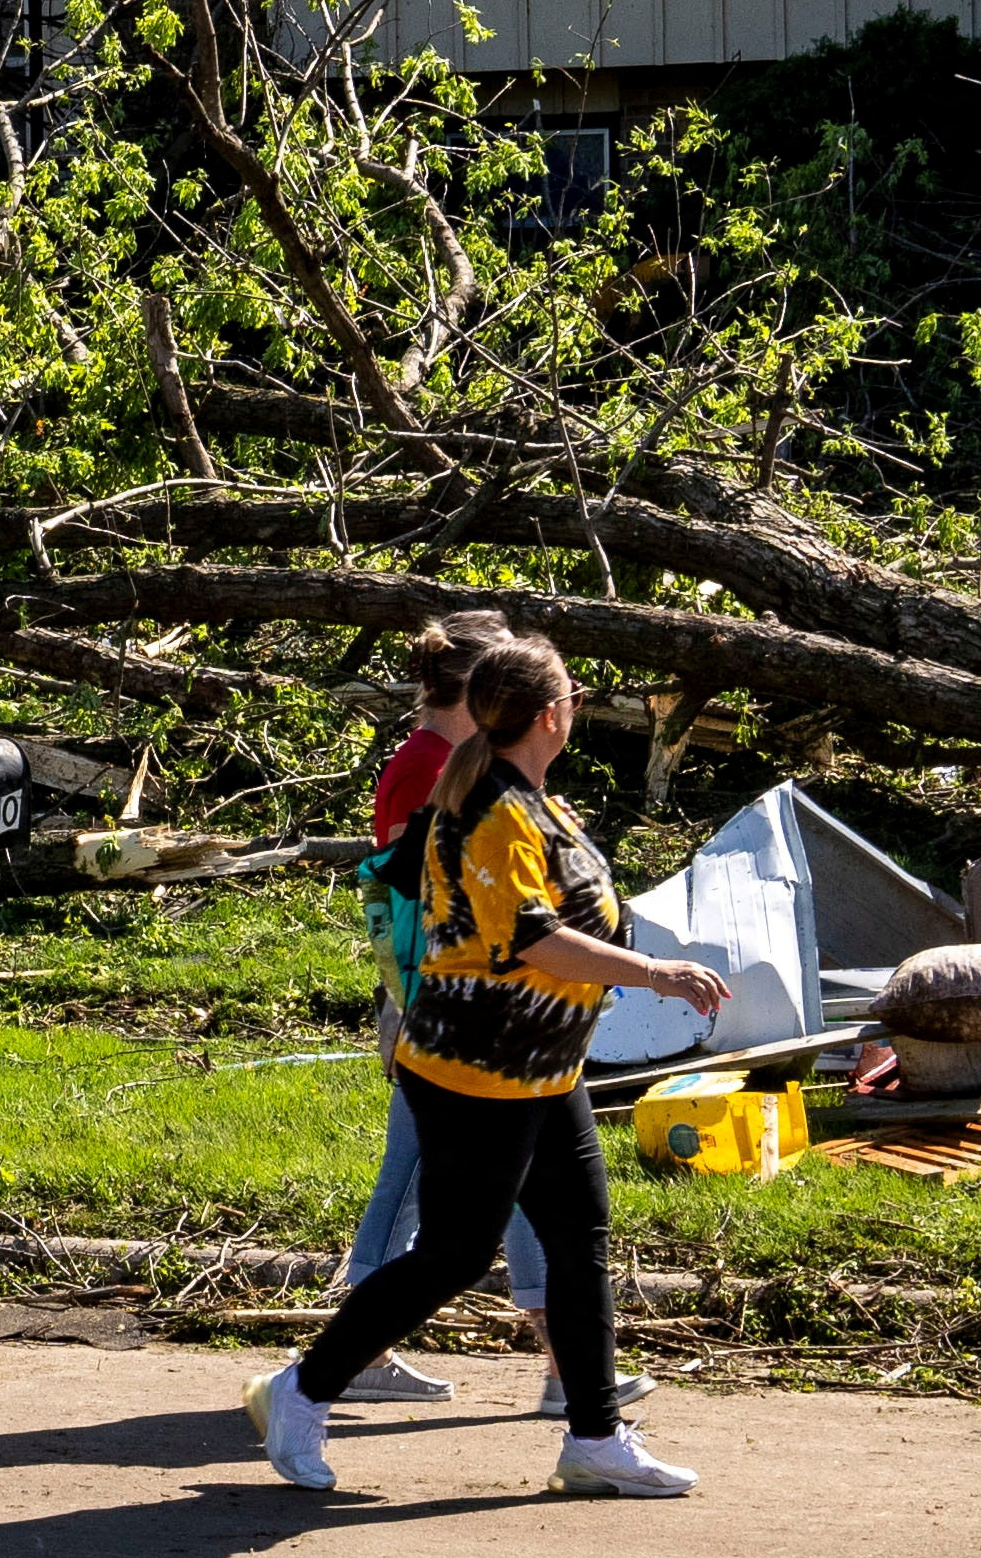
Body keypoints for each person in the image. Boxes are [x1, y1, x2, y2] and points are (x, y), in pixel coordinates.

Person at [265, 631, 718, 1506]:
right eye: (573, 696)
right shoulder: (496, 809)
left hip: (544, 1070)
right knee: (453, 1255)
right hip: (477, 1074)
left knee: (579, 1241)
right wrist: (654, 973)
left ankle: (595, 1438)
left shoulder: (529, 796)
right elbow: (530, 940)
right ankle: (305, 1389)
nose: (577, 707)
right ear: (552, 713)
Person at [324, 612, 557, 1404]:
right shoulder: (434, 768)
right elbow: (438, 898)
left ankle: (567, 1363)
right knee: (417, 1175)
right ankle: (357, 1352)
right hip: (446, 1007)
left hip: (464, 1003)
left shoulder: (437, 758)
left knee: (527, 1175)